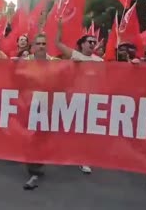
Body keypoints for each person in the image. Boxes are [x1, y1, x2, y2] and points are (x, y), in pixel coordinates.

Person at [55, 19, 100, 174]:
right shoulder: (74, 55)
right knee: (68, 127)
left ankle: (83, 159)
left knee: (86, 131)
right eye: (90, 41)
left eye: (94, 42)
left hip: (91, 100)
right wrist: (60, 28)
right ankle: (63, 152)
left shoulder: (100, 61)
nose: (93, 44)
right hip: (72, 99)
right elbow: (58, 44)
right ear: (82, 44)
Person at [22, 34, 58, 190]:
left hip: (48, 104)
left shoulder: (55, 62)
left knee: (42, 136)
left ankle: (37, 165)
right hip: (28, 104)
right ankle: (33, 169)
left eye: (44, 43)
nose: (42, 46)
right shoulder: (24, 62)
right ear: (33, 46)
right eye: (38, 43)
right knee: (30, 136)